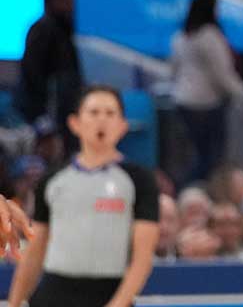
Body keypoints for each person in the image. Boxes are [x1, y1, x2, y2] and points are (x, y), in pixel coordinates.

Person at [5, 87, 159, 307]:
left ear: (123, 125)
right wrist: (14, 303)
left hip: (109, 292)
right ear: (75, 123)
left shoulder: (140, 180)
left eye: (110, 113)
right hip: (54, 293)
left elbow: (142, 259)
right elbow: (35, 250)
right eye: (94, 112)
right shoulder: (53, 179)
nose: (101, 120)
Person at [169, 0, 243, 187]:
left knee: (195, 155)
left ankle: (187, 190)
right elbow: (222, 75)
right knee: (210, 159)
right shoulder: (210, 36)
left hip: (182, 101)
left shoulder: (180, 36)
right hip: (205, 105)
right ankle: (197, 192)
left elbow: (173, 70)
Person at [18, 0, 81, 133]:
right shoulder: (43, 28)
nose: (71, 4)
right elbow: (32, 69)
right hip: (46, 107)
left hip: (64, 105)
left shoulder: (64, 29)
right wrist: (43, 103)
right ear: (55, 0)